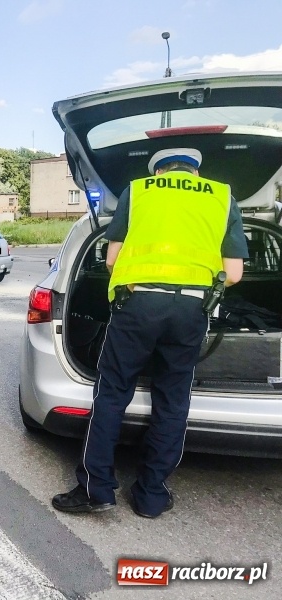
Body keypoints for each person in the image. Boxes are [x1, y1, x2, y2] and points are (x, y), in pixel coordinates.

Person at [52, 148, 249, 519]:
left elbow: (112, 260)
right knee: (172, 401)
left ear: (157, 169)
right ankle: (151, 496)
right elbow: (234, 273)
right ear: (195, 170)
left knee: (112, 394)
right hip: (191, 310)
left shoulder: (140, 190)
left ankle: (96, 489)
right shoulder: (223, 196)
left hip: (138, 306)